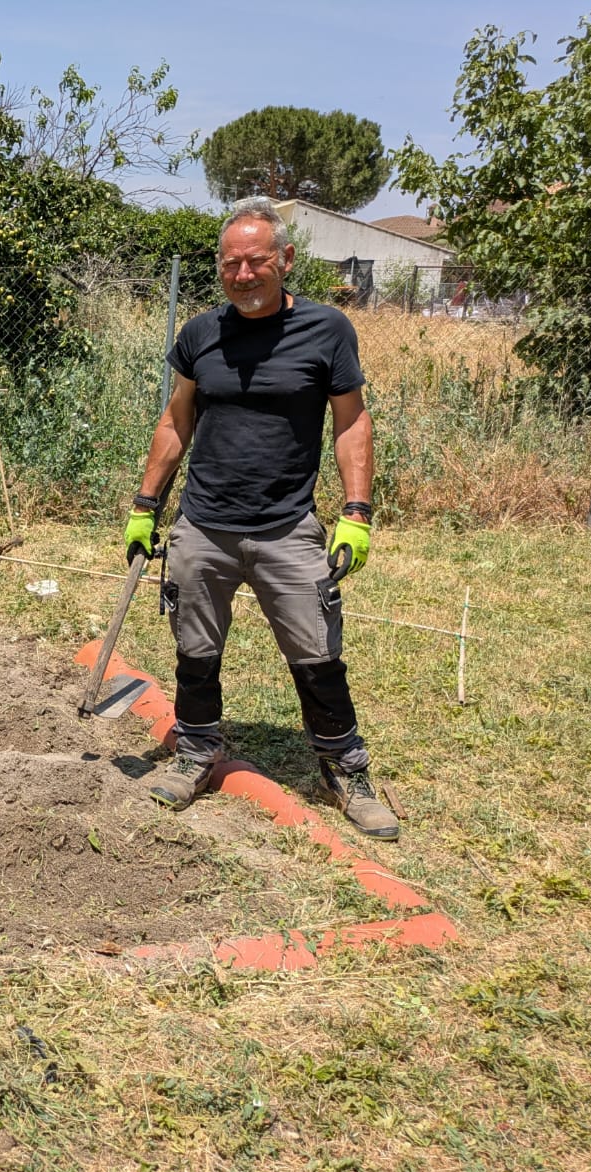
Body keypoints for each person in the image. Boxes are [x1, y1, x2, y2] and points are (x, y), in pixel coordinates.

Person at [122, 196, 398, 840]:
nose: (242, 274)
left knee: (318, 654)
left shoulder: (327, 330)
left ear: (286, 259)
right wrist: (145, 505)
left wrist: (356, 513)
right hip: (203, 525)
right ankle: (196, 753)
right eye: (230, 264)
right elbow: (176, 421)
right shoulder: (200, 335)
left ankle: (344, 771)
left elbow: (351, 422)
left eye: (256, 261)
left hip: (286, 527)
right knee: (195, 650)